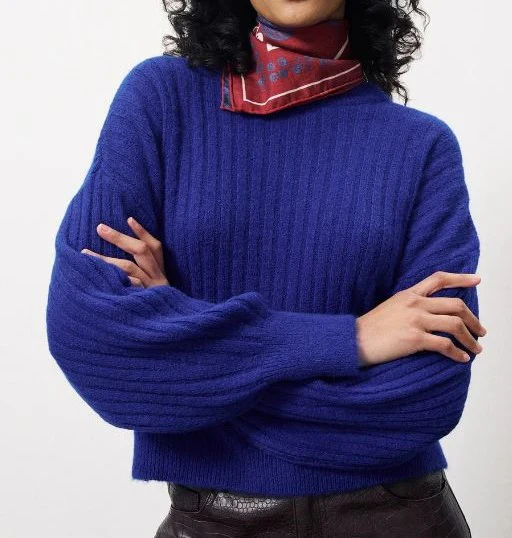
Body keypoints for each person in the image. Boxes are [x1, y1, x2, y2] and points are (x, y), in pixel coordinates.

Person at [45, 0, 487, 536]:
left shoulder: (421, 146)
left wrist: (188, 352)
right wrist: (351, 340)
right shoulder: (162, 101)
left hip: (399, 518)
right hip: (214, 522)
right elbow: (90, 339)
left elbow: (427, 399)